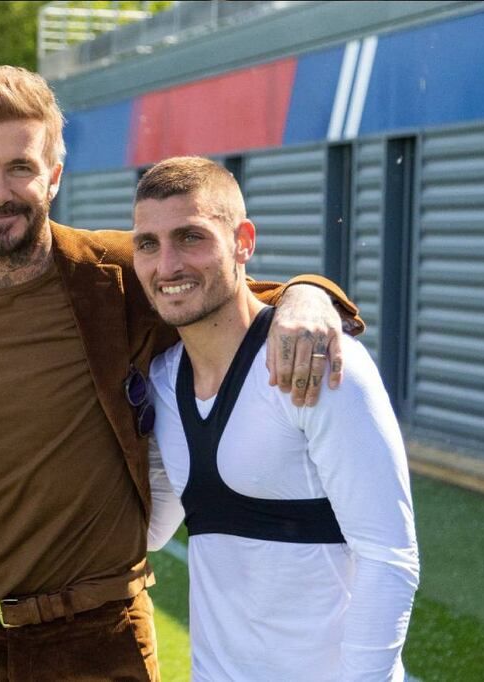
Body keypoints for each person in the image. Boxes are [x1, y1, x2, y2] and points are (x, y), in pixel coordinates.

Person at [0, 65, 364, 681]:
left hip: (99, 641)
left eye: (20, 168)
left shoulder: (119, 276)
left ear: (55, 175)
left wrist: (308, 296)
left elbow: (238, 293)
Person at [136, 156, 419, 680]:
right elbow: (151, 531)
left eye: (191, 237)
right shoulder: (161, 383)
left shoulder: (318, 363)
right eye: (148, 244)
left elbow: (390, 557)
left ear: (243, 241)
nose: (167, 265)